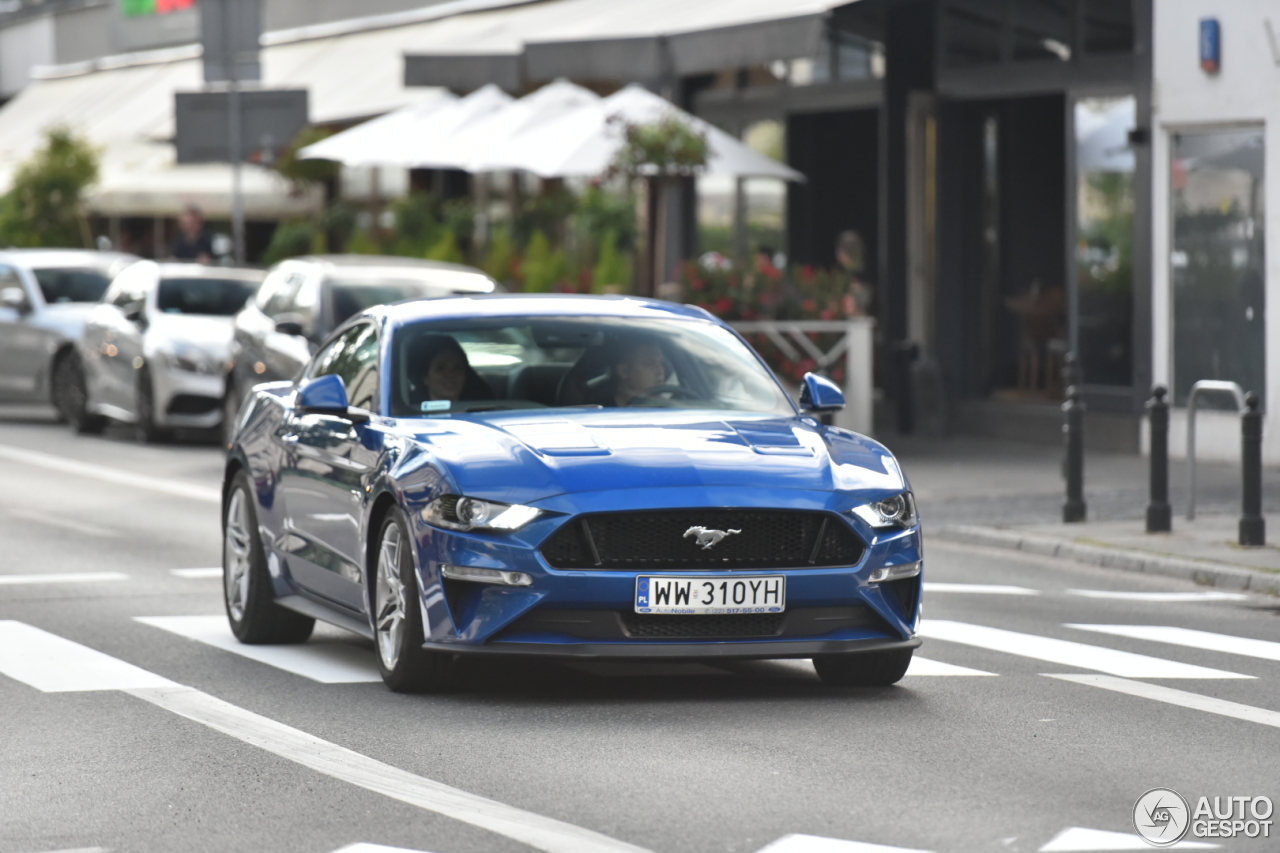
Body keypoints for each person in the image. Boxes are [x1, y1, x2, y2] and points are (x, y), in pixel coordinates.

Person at [409, 335, 493, 408]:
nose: (450, 375)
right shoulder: (408, 410)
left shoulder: (482, 407)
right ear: (425, 378)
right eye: (440, 368)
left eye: (457, 368)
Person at [587, 338, 669, 407]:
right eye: (650, 364)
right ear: (624, 371)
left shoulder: (671, 408)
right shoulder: (601, 414)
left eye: (661, 363)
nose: (660, 370)